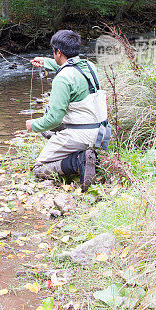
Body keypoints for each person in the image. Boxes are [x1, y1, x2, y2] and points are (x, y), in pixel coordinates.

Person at [25, 30, 110, 190]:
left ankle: (78, 162)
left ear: (58, 52)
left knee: (38, 169)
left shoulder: (63, 79)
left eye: (54, 51)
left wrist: (32, 125)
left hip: (83, 135)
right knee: (49, 121)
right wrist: (46, 62)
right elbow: (70, 66)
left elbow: (54, 120)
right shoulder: (89, 65)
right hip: (101, 131)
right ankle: (79, 153)